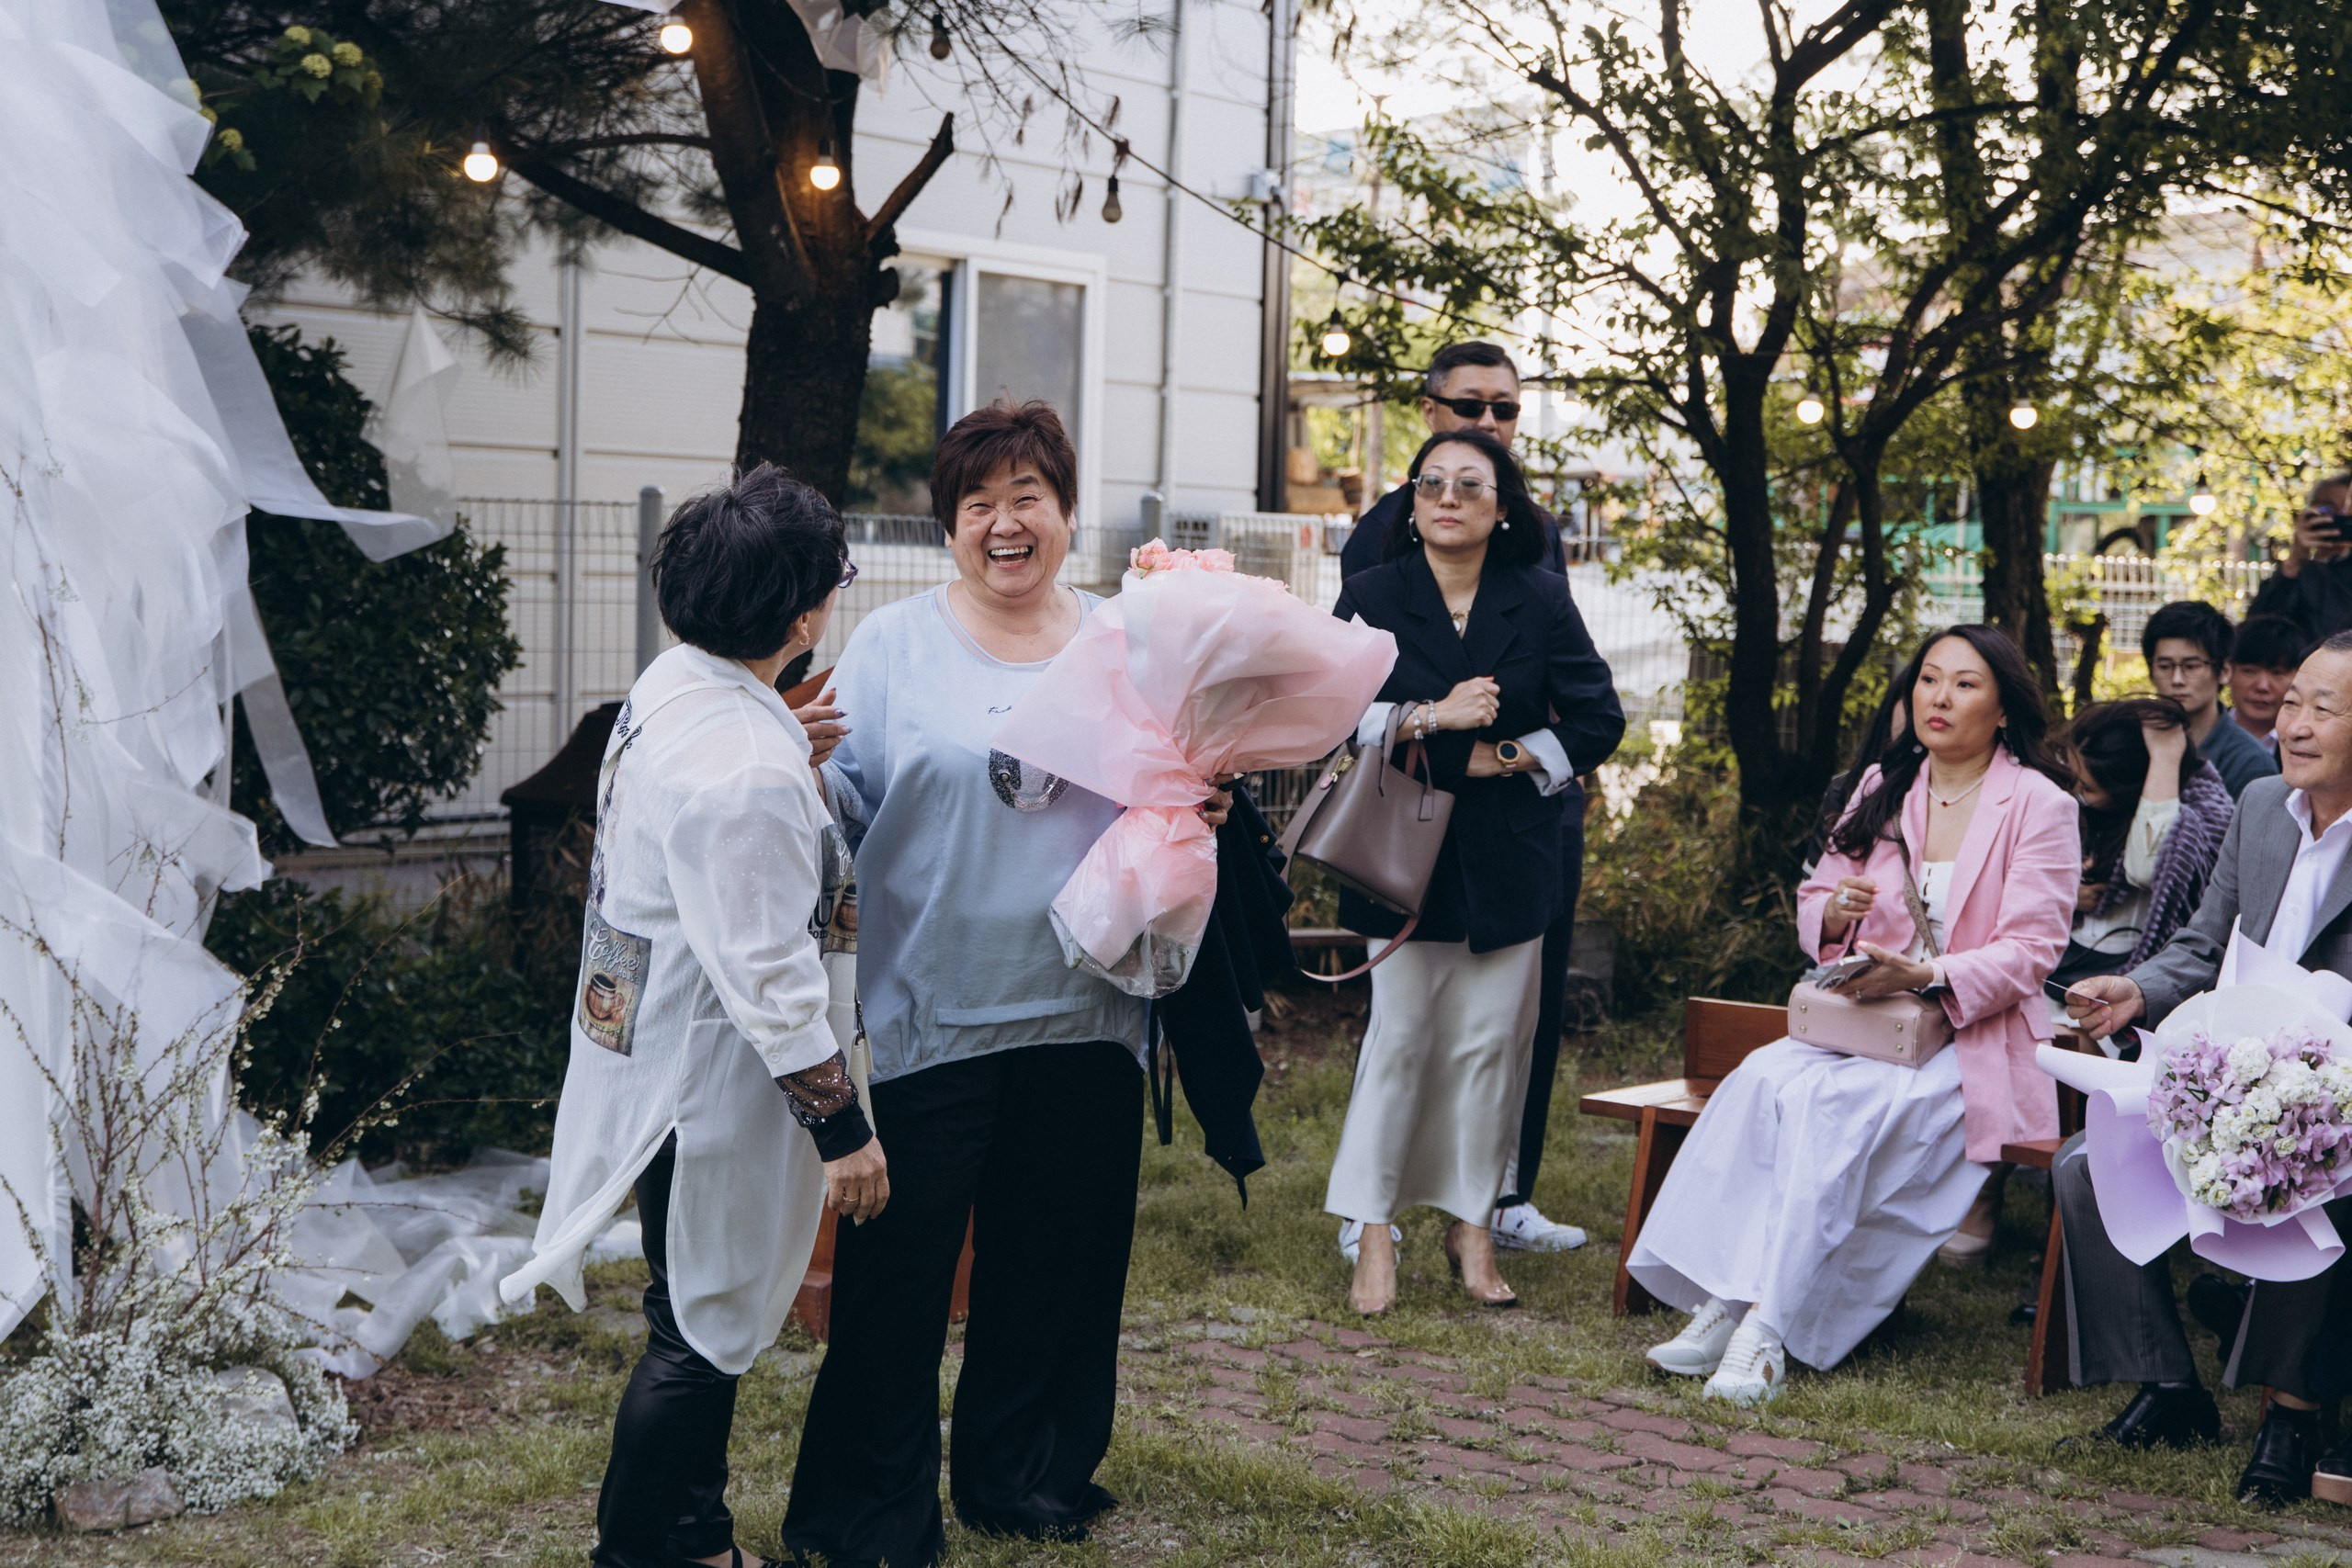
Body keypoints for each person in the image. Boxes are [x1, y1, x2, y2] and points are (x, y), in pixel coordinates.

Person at [780, 401, 1228, 1568]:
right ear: (947, 527)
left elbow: (1180, 788)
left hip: (1088, 1008)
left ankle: (1023, 1477)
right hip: (928, 1009)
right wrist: (794, 768)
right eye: (976, 503)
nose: (1003, 522)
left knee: (1057, 1269)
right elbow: (836, 813)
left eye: (1026, 495)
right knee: (897, 1285)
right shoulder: (889, 647)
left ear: (1066, 513)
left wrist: (1204, 798)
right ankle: (866, 1516)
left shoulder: (1129, 644)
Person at [500, 466, 886, 1568]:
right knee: (704, 1327)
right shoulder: (747, 769)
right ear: (804, 612)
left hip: (647, 1049)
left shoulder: (675, 688)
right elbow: (767, 968)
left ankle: (691, 1536)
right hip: (712, 1082)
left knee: (690, 1308)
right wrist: (842, 1129)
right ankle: (654, 1548)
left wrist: (779, 738)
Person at [1630, 626, 2079, 1404]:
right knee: (1761, 1083)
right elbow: (1818, 900)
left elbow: (2033, 951)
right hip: (1868, 1016)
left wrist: (1932, 971)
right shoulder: (1885, 782)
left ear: (2004, 708)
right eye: (1929, 680)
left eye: (1965, 684)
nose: (1940, 698)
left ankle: (1767, 1327)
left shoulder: (2039, 803)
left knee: (1832, 1110)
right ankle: (1730, 1299)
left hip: (1970, 1035)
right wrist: (1835, 911)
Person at [1323, 428, 1624, 1314]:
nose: (1448, 497)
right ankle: (1373, 1229)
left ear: (1502, 510)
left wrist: (1514, 753)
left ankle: (1474, 1223)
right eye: (1431, 484)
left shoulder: (1539, 599)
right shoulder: (1371, 595)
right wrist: (1429, 716)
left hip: (1509, 859)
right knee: (1401, 1041)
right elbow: (1331, 717)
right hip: (1400, 855)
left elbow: (1599, 718)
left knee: (1492, 1047)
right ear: (1413, 505)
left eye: (1469, 485)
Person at [2064, 630, 2352, 1505]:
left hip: (2335, 1091)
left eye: (2322, 709)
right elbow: (2200, 943)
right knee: (2083, 1166)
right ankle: (2168, 1385)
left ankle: (2293, 1409)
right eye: (2291, 701)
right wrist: (2134, 991)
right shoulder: (2263, 804)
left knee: (2319, 1182)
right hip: (2233, 1070)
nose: (2292, 723)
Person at [2053, 698, 2233, 987]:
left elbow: (2147, 868)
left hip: (2130, 972)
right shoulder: (2075, 807)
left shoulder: (2198, 815)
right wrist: (2065, 895)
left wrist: (2163, 758)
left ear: (2129, 788)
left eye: (2087, 788)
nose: (2075, 793)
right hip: (2061, 962)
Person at [2143, 600, 2279, 799]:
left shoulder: (2251, 762)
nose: (2177, 679)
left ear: (2224, 671)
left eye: (2191, 666)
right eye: (2165, 666)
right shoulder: (2132, 743)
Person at [2246, 470, 2352, 643]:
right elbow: (2259, 630)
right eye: (2328, 509)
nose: (2341, 519)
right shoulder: (2300, 573)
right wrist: (2295, 559)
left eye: (2348, 513)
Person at [2227, 614, 2308, 756]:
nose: (2262, 686)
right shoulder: (2202, 733)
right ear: (2227, 672)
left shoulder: (2308, 741)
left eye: (2277, 673)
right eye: (2249, 671)